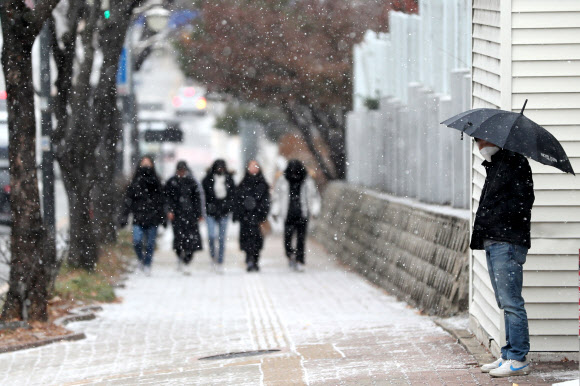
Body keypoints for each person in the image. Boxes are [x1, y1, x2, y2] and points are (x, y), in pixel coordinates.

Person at [472, 138, 535, 378]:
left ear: (496, 138)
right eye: (475, 141)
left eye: (480, 140)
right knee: (503, 301)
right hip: (494, 240)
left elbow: (523, 203)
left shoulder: (515, 163)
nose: (478, 145)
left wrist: (500, 221)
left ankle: (518, 358)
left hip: (507, 242)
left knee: (511, 301)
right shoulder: (496, 164)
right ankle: (509, 355)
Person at [271, 159, 321, 272]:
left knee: (301, 239)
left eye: (296, 171)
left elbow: (314, 197)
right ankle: (290, 255)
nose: (294, 173)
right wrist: (275, 211)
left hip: (302, 214)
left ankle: (300, 260)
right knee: (287, 239)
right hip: (287, 213)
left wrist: (314, 210)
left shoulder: (307, 181)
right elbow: (277, 197)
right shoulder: (282, 180)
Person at [120, 156, 166, 276]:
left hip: (153, 218)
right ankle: (141, 260)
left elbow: (162, 201)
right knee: (137, 241)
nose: (146, 166)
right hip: (138, 218)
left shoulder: (157, 182)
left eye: (148, 163)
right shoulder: (134, 183)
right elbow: (128, 201)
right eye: (143, 163)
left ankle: (147, 264)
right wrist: (124, 217)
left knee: (150, 244)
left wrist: (163, 217)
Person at [165, 161, 204, 273]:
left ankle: (187, 259)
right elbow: (167, 198)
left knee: (191, 239)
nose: (181, 173)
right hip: (177, 215)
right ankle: (180, 257)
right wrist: (169, 210)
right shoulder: (172, 182)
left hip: (190, 215)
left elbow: (197, 199)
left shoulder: (192, 182)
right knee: (178, 238)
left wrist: (199, 213)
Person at [233, 160, 270, 272]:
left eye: (255, 166)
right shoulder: (243, 183)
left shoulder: (263, 184)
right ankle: (249, 260)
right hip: (245, 217)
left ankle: (255, 260)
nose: (253, 168)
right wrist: (238, 213)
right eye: (251, 166)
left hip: (258, 217)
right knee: (246, 240)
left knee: (257, 240)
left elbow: (266, 200)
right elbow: (237, 200)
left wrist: (262, 212)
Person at [202, 159, 235, 271]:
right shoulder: (207, 180)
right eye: (218, 167)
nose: (220, 169)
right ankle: (212, 256)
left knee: (222, 238)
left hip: (224, 212)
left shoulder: (229, 180)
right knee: (211, 236)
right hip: (211, 212)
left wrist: (229, 207)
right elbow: (203, 196)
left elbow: (232, 195)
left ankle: (220, 260)